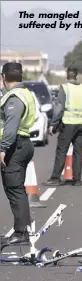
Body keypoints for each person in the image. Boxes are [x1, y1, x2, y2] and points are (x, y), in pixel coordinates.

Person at [0, 62, 36, 244]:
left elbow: (11, 127)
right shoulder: (25, 93)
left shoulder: (14, 98)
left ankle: (21, 232)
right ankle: (23, 228)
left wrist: (3, 149)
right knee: (17, 189)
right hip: (23, 143)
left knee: (14, 189)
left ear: (4, 78)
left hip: (15, 146)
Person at [44, 67, 82, 187]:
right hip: (81, 124)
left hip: (68, 124)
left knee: (62, 151)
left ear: (67, 76)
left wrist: (53, 124)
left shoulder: (65, 88)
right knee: (78, 152)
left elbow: (59, 108)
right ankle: (77, 179)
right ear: (76, 76)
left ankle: (55, 178)